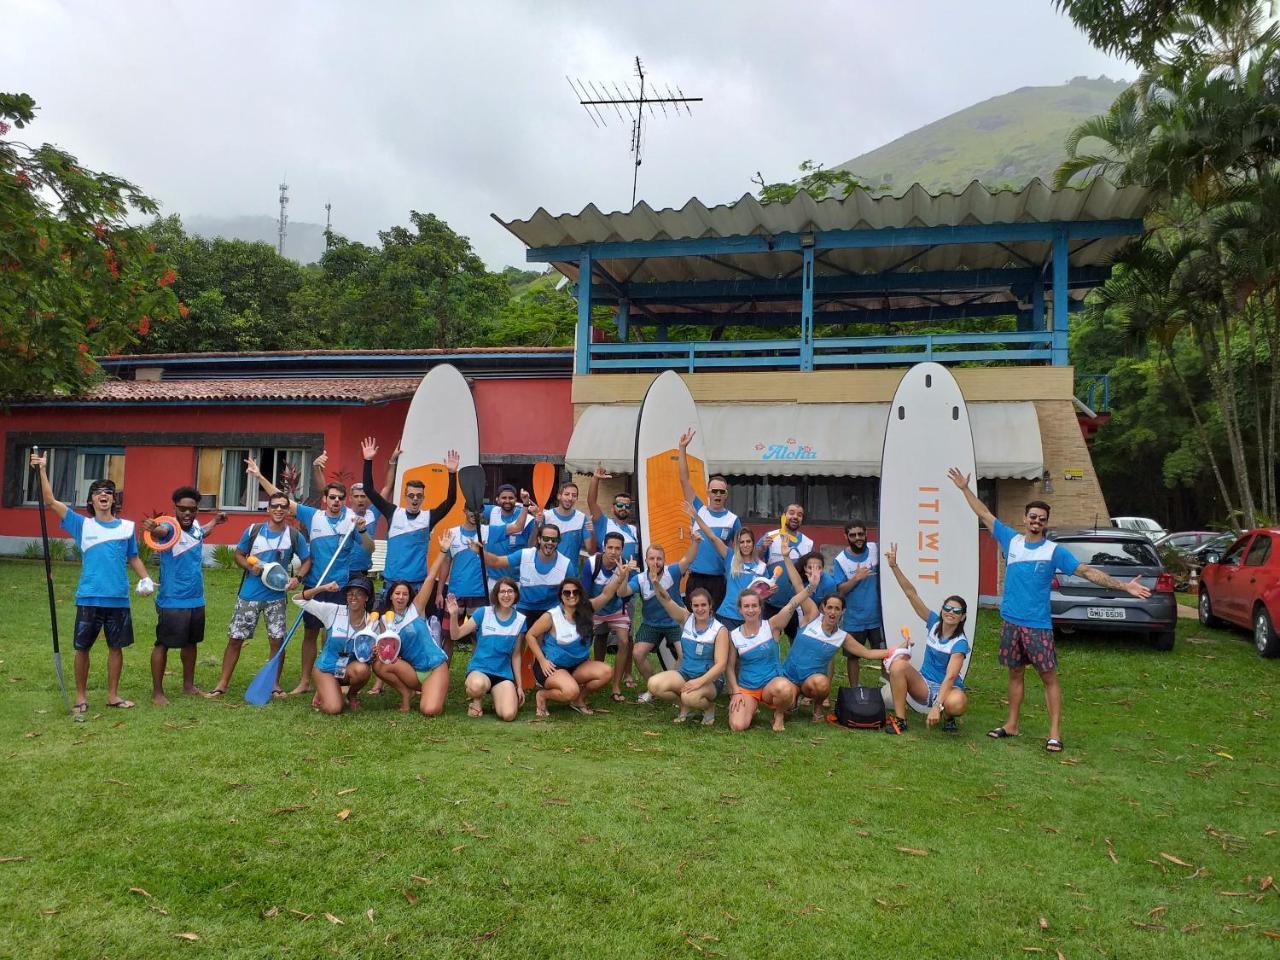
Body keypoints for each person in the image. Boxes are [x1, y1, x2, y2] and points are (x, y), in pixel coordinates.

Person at [947, 468, 1151, 752]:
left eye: (1041, 520)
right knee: (1015, 674)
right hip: (1011, 623)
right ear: (1025, 519)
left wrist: (1124, 586)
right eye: (1032, 517)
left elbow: (1087, 572)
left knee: (1048, 677)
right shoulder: (1012, 541)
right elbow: (984, 514)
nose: (1036, 522)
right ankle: (1012, 725)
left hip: (1037, 626)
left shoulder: (1054, 551)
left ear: (1045, 524)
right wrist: (964, 489)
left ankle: (1054, 733)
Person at [29, 451, 153, 713]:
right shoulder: (81, 525)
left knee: (116, 648)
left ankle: (113, 696)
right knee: (82, 648)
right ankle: (81, 697)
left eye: (108, 491)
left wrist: (146, 579)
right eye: (98, 492)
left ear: (114, 499)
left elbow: (133, 557)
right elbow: (49, 500)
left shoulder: (127, 527)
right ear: (92, 500)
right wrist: (41, 469)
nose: (103, 494)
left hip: (118, 598)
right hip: (89, 597)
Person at [247, 457, 373, 695]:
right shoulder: (313, 516)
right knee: (310, 633)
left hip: (339, 587)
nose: (335, 501)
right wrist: (259, 475)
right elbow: (282, 501)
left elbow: (369, 548)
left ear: (344, 500)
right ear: (325, 499)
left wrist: (362, 531)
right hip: (315, 586)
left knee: (332, 634)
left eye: (339, 498)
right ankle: (305, 681)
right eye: (331, 497)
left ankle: (328, 679)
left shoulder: (351, 521)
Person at [210, 492, 310, 697]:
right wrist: (248, 565)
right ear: (268, 509)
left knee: (277, 640)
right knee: (235, 639)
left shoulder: (293, 535)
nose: (279, 509)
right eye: (275, 506)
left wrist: (297, 578)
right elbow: (238, 554)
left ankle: (274, 684)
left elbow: (307, 560)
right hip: (249, 596)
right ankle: (222, 684)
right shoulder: (253, 531)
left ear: (288, 510)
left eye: (284, 506)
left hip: (276, 598)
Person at [779, 556, 897, 723]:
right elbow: (798, 585)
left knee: (822, 684)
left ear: (843, 612)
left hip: (811, 681)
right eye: (829, 608)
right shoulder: (811, 616)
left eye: (837, 609)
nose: (833, 612)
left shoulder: (842, 637)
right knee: (784, 701)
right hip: (789, 676)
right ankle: (794, 699)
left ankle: (817, 709)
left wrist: (898, 649)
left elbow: (867, 653)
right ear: (823, 608)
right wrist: (786, 557)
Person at [141, 487, 227, 705]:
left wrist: (215, 521)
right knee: (163, 644)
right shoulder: (170, 528)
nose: (187, 514)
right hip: (172, 600)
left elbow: (202, 532)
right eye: (182, 509)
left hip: (196, 598)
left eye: (192, 509)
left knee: (191, 643)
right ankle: (157, 693)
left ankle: (188, 686)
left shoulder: (196, 527)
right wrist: (152, 528)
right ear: (174, 509)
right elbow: (159, 531)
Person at [882, 543, 970, 735]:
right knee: (897, 666)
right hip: (924, 684)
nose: (950, 613)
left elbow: (950, 677)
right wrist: (894, 566)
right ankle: (901, 720)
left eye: (956, 611)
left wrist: (937, 706)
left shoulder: (960, 643)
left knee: (957, 703)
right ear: (942, 610)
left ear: (962, 617)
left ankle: (949, 717)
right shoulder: (933, 622)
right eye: (947, 608)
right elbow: (911, 594)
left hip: (948, 687)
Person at [360, 437, 458, 607]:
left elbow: (450, 501)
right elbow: (369, 489)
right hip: (392, 583)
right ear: (405, 496)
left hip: (417, 585)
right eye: (411, 495)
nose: (414, 499)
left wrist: (451, 473)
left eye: (419, 496)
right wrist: (368, 461)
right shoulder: (392, 512)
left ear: (423, 498)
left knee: (414, 629)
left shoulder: (429, 517)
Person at [524, 570, 630, 717]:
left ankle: (579, 700)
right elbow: (530, 635)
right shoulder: (551, 616)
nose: (571, 596)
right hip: (552, 666)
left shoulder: (586, 609)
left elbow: (606, 594)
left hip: (577, 665)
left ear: (580, 594)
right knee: (570, 691)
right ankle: (543, 695)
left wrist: (620, 578)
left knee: (606, 672)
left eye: (575, 592)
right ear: (561, 596)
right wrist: (542, 660)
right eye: (567, 593)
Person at [370, 544, 451, 715]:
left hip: (435, 666)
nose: (401, 597)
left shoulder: (416, 609)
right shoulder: (384, 621)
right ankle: (407, 693)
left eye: (405, 594)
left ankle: (431, 689)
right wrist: (378, 651)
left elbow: (430, 578)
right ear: (390, 596)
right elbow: (385, 653)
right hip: (412, 671)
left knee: (430, 710)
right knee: (379, 666)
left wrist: (443, 552)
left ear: (409, 597)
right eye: (397, 593)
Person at [726, 578, 814, 733]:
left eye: (754, 606)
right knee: (737, 726)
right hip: (748, 687)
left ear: (760, 608)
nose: (751, 610)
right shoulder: (734, 635)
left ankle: (779, 715)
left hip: (771, 684)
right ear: (740, 609)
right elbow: (729, 667)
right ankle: (751, 707)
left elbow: (792, 604)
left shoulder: (771, 625)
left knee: (784, 689)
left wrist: (811, 587)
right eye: (746, 606)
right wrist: (735, 691)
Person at [620, 533, 699, 704]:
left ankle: (672, 688)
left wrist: (695, 542)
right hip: (651, 624)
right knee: (638, 653)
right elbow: (623, 592)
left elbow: (688, 558)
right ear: (646, 560)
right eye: (651, 558)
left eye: (659, 559)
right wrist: (623, 575)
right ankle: (653, 688)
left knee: (684, 654)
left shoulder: (672, 571)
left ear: (664, 560)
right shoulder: (640, 579)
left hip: (675, 622)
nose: (655, 562)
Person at [644, 582, 729, 725]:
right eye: (696, 606)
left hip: (710, 680)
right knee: (654, 684)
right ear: (691, 606)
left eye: (703, 605)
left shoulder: (720, 630)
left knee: (690, 696)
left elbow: (721, 665)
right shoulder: (686, 618)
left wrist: (698, 682)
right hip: (685, 674)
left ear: (710, 606)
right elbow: (666, 600)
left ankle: (708, 707)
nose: (700, 609)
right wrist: (656, 583)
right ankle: (685, 706)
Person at [291, 575, 377, 715]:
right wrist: (323, 587)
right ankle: (324, 688)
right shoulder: (333, 611)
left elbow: (370, 656)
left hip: (348, 670)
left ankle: (351, 694)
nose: (353, 597)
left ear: (367, 597)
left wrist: (373, 653)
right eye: (350, 593)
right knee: (334, 708)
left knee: (363, 670)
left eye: (359, 594)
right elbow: (298, 599)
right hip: (326, 668)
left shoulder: (372, 622)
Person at [677, 429, 740, 611]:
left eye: (722, 491)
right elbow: (683, 479)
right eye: (714, 491)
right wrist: (682, 448)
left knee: (715, 624)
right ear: (708, 493)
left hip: (719, 580)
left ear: (726, 495)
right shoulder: (697, 508)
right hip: (696, 577)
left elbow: (739, 553)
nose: (718, 494)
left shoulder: (733, 520)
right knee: (693, 621)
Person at [448, 579, 527, 721]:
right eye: (502, 591)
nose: (506, 595)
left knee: (508, 715)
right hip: (480, 670)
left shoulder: (520, 620)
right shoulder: (483, 613)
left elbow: (516, 655)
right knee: (477, 686)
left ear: (515, 595)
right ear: (496, 595)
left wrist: (519, 686)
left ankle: (498, 698)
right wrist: (454, 615)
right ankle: (477, 700)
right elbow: (456, 635)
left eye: (510, 591)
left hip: (502, 675)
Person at [685, 508, 770, 632]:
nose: (745, 545)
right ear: (737, 544)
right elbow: (713, 537)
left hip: (750, 617)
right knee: (727, 651)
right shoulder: (731, 557)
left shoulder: (761, 567)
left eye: (748, 541)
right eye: (742, 542)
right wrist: (697, 517)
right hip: (727, 616)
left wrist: (769, 592)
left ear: (753, 543)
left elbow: (762, 594)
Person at [474, 521, 572, 622]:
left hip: (551, 610)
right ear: (539, 539)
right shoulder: (525, 554)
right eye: (546, 539)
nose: (550, 542)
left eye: (554, 540)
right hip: (525, 607)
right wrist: (480, 551)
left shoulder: (566, 564)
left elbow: (573, 594)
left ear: (558, 541)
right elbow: (497, 562)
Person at [584, 532, 634, 697]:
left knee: (624, 640)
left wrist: (623, 575)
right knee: (598, 638)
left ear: (622, 550)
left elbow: (624, 595)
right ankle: (597, 674)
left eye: (617, 548)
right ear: (604, 547)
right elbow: (584, 593)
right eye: (610, 547)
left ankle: (616, 685)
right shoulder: (591, 564)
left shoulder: (625, 565)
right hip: (596, 610)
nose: (613, 552)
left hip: (616, 610)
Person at [833, 521, 884, 686]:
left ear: (866, 533)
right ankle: (854, 689)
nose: (857, 538)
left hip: (879, 617)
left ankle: (888, 688)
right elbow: (840, 590)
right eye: (853, 535)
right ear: (846, 536)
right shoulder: (840, 560)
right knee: (853, 657)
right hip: (854, 619)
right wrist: (856, 578)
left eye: (860, 534)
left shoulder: (876, 549)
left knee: (885, 654)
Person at [483, 483, 537, 584]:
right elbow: (472, 508)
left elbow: (532, 545)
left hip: (517, 579)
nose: (507, 501)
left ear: (516, 499)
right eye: (504, 498)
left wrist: (538, 521)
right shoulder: (492, 511)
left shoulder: (528, 518)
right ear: (497, 499)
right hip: (493, 578)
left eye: (511, 498)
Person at [586, 464, 638, 563]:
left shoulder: (633, 530)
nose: (623, 508)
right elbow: (591, 501)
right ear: (612, 508)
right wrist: (595, 479)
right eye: (619, 505)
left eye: (627, 506)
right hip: (607, 575)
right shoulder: (604, 523)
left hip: (629, 575)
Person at [542, 481, 592, 576]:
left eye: (574, 495)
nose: (570, 498)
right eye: (566, 494)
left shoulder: (581, 518)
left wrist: (592, 533)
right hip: (548, 572)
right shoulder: (547, 516)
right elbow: (534, 544)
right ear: (559, 496)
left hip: (571, 574)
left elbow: (590, 550)